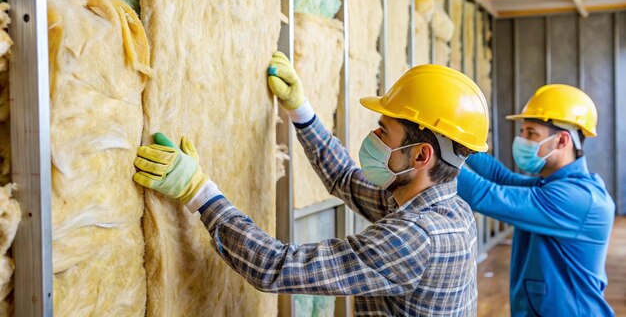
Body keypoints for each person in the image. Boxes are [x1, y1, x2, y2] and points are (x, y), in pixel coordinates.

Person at [132, 52, 490, 316]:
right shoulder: (443, 207)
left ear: (421, 155)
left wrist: (199, 191)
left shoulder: (415, 236)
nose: (374, 137)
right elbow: (345, 180)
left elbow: (276, 268)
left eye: (384, 131)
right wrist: (301, 112)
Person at [457, 84, 615, 316]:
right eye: (522, 132)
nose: (522, 140)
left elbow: (486, 195)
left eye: (531, 133)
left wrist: (436, 156)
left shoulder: (577, 198)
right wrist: (458, 142)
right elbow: (501, 177)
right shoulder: (554, 184)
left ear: (562, 140)